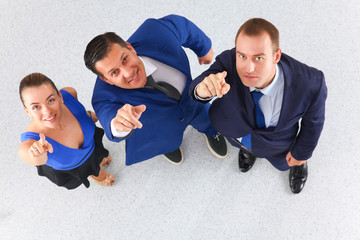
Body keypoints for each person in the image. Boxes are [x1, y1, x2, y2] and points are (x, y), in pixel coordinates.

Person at [190, 18, 327, 193]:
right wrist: (202, 89)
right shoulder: (228, 62)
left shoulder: (311, 84)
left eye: (259, 58)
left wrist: (301, 154)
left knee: (284, 164)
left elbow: (313, 124)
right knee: (244, 146)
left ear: (276, 56)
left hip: (278, 145)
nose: (249, 68)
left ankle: (298, 166)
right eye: (242, 56)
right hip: (235, 132)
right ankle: (249, 151)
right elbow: (200, 84)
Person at [83, 14, 227, 166]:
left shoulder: (155, 31)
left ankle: (212, 132)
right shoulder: (103, 96)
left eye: (125, 59)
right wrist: (119, 125)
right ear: (106, 80)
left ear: (130, 48)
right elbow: (108, 117)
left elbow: (182, 26)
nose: (128, 72)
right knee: (165, 140)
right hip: (161, 126)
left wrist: (203, 48)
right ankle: (168, 147)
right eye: (114, 72)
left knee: (207, 119)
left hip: (193, 101)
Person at [18, 73, 115, 189]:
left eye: (51, 100)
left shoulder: (70, 94)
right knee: (90, 170)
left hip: (93, 146)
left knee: (97, 157)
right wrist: (38, 154)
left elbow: (81, 111)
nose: (47, 111)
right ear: (27, 111)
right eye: (35, 107)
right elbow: (30, 156)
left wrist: (88, 116)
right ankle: (97, 175)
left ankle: (97, 163)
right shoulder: (30, 143)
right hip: (75, 167)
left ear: (60, 96)